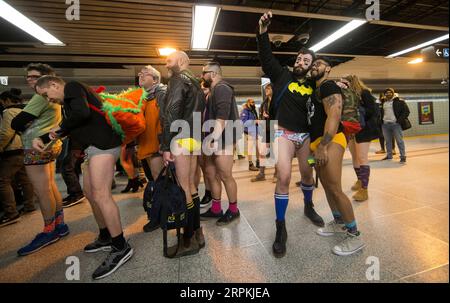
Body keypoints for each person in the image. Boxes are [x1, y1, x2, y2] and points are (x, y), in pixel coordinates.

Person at [34, 76, 133, 280]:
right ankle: (105, 235)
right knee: (90, 193)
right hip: (93, 147)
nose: (48, 99)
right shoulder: (68, 103)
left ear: (54, 85)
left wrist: (57, 130)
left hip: (103, 144)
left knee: (101, 194)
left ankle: (120, 246)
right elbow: (73, 122)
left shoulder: (72, 87)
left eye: (46, 94)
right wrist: (48, 137)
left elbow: (82, 113)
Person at [257, 11, 325, 257]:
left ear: (311, 67)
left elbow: (327, 95)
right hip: (283, 135)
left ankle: (308, 206)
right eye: (299, 58)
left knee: (308, 174)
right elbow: (266, 58)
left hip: (305, 138)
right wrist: (263, 32)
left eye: (306, 61)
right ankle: (280, 227)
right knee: (284, 176)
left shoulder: (314, 86)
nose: (301, 62)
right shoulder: (282, 75)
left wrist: (337, 84)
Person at [11, 63, 68, 256]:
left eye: (35, 77)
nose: (30, 80)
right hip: (50, 145)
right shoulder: (52, 97)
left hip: (35, 146)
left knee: (42, 190)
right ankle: (60, 225)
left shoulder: (39, 97)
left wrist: (22, 123)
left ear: (47, 79)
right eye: (28, 77)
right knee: (50, 186)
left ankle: (48, 231)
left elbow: (16, 122)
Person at [310, 57, 365, 256]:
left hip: (330, 141)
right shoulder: (316, 88)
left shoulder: (328, 86)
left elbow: (334, 115)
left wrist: (323, 146)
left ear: (329, 69)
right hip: (318, 143)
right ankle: (339, 222)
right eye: (313, 63)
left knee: (335, 188)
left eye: (320, 63)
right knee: (326, 186)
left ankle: (354, 236)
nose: (315, 65)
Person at [161, 51, 206, 257]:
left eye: (169, 60)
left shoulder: (178, 80)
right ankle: (196, 230)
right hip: (194, 137)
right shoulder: (196, 82)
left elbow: (172, 110)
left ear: (180, 61)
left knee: (184, 187)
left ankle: (187, 238)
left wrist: (165, 144)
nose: (165, 63)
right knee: (192, 185)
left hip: (179, 137)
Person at [200, 62, 240, 227]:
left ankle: (233, 210)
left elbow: (222, 116)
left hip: (223, 139)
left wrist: (213, 138)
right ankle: (216, 209)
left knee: (225, 175)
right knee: (211, 174)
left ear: (213, 74)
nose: (202, 76)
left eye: (204, 73)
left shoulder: (222, 88)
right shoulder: (213, 90)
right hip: (213, 137)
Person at [135, 65, 167, 232]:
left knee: (159, 181)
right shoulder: (144, 97)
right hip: (146, 145)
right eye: (140, 73)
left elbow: (165, 120)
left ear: (155, 79)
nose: (140, 75)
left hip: (157, 146)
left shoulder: (161, 94)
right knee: (155, 181)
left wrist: (164, 144)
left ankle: (161, 216)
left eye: (145, 74)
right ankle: (161, 213)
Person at [339, 75, 379, 202]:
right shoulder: (346, 95)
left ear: (351, 82)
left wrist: (357, 113)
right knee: (355, 157)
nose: (343, 86)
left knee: (362, 157)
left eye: (345, 83)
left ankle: (364, 189)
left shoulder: (364, 93)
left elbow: (372, 111)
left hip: (364, 129)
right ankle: (360, 180)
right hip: (351, 129)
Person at [0, 88, 35, 227]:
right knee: (25, 179)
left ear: (7, 100)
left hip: (13, 150)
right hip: (26, 147)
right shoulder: (26, 109)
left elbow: (6, 133)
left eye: (2, 101)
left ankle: (11, 213)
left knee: (2, 181)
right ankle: (29, 206)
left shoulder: (8, 111)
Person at [252, 83, 277, 183]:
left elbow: (280, 116)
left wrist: (269, 116)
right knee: (262, 152)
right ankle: (261, 173)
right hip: (264, 130)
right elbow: (261, 117)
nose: (266, 90)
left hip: (275, 129)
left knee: (275, 153)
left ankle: (277, 174)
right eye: (266, 89)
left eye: (269, 88)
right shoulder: (263, 104)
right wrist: (260, 120)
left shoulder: (277, 103)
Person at [381, 88, 409, 163]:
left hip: (395, 124)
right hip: (385, 125)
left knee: (399, 141)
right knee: (387, 141)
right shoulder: (383, 102)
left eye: (390, 92)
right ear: (385, 94)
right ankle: (389, 155)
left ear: (393, 94)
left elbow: (406, 112)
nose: (388, 94)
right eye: (386, 93)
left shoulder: (399, 102)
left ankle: (403, 156)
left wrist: (399, 121)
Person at [60, 136, 85, 207]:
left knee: (67, 167)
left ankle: (77, 194)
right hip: (76, 142)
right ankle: (74, 194)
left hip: (77, 142)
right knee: (71, 167)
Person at [240, 98, 260, 171]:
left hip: (255, 131)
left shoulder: (253, 110)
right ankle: (250, 164)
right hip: (249, 132)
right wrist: (254, 121)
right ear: (248, 103)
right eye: (252, 102)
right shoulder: (245, 111)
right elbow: (244, 122)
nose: (253, 103)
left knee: (258, 147)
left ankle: (258, 162)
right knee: (250, 148)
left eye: (254, 102)